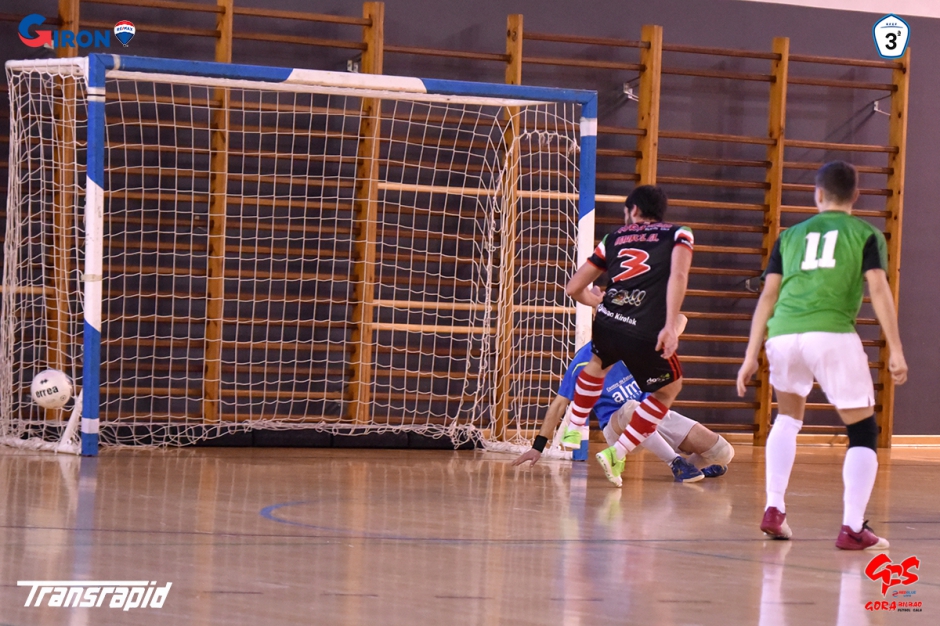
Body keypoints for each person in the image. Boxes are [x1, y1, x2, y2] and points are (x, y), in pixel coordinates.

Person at [736, 161, 908, 551]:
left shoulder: (789, 236)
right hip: (830, 333)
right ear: (856, 196)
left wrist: (750, 355)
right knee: (862, 430)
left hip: (782, 334)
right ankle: (852, 527)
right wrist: (896, 348)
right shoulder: (865, 233)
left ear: (817, 194)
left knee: (787, 418)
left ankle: (774, 508)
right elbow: (879, 289)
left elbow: (768, 295)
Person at [564, 185, 693, 487]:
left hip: (609, 321)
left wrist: (597, 302)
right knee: (669, 389)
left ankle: (574, 425)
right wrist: (669, 325)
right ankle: (618, 452)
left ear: (633, 210)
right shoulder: (679, 234)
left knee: (597, 364)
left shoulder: (613, 238)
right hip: (645, 327)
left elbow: (573, 288)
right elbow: (679, 276)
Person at [511, 339, 735, 482]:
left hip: (653, 415)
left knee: (723, 453)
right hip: (618, 427)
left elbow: (681, 318)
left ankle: (694, 468)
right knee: (631, 408)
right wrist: (538, 447)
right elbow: (560, 403)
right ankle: (675, 463)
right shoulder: (582, 362)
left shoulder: (637, 348)